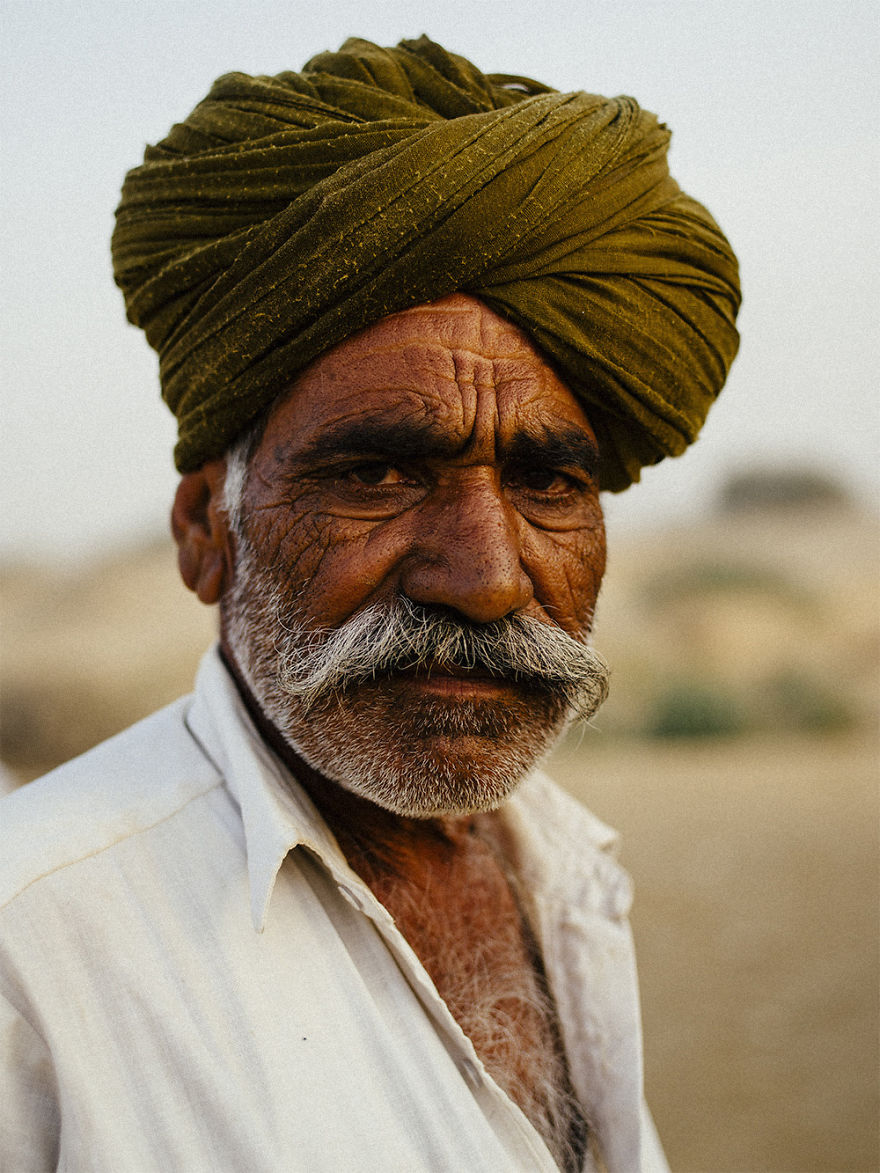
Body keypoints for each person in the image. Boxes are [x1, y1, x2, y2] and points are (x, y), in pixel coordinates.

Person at [0, 37, 739, 1173]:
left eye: (549, 484)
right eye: (376, 475)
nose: (486, 577)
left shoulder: (562, 867)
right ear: (207, 530)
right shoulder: (30, 949)